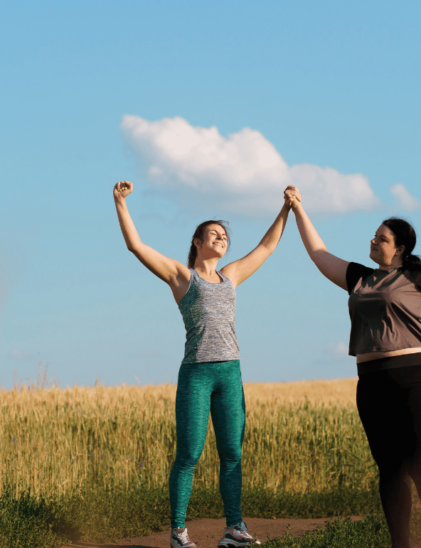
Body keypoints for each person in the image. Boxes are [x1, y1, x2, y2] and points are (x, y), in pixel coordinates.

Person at [285, 185, 421, 548]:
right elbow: (318, 253)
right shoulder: (359, 277)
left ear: (400, 249)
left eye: (382, 238)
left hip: (418, 378)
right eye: (374, 236)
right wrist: (298, 208)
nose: (373, 241)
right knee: (390, 469)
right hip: (372, 382)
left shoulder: (419, 278)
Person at [113, 180, 291, 548]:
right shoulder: (182, 277)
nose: (221, 238)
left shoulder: (232, 276)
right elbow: (135, 246)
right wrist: (120, 202)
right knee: (189, 454)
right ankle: (179, 532)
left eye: (225, 235)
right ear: (197, 242)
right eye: (214, 233)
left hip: (230, 373)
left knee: (232, 454)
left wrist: (286, 207)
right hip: (197, 373)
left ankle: (234, 529)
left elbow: (269, 246)